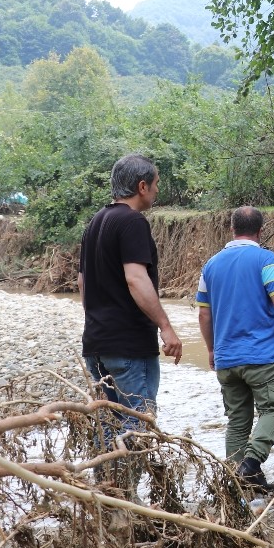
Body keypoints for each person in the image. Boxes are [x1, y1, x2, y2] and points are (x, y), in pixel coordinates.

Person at [79, 154, 183, 490]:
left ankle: (106, 497)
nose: (157, 191)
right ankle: (126, 499)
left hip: (96, 344)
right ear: (142, 186)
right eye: (155, 184)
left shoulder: (95, 223)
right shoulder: (132, 222)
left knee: (108, 426)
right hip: (130, 346)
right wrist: (166, 326)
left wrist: (99, 321)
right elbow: (137, 279)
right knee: (137, 423)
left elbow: (82, 282)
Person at [196, 206, 274, 491]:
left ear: (232, 229)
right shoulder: (267, 260)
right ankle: (250, 465)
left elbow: (204, 314)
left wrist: (212, 350)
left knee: (238, 422)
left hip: (226, 358)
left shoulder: (210, 266)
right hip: (261, 356)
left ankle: (238, 486)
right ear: (261, 230)